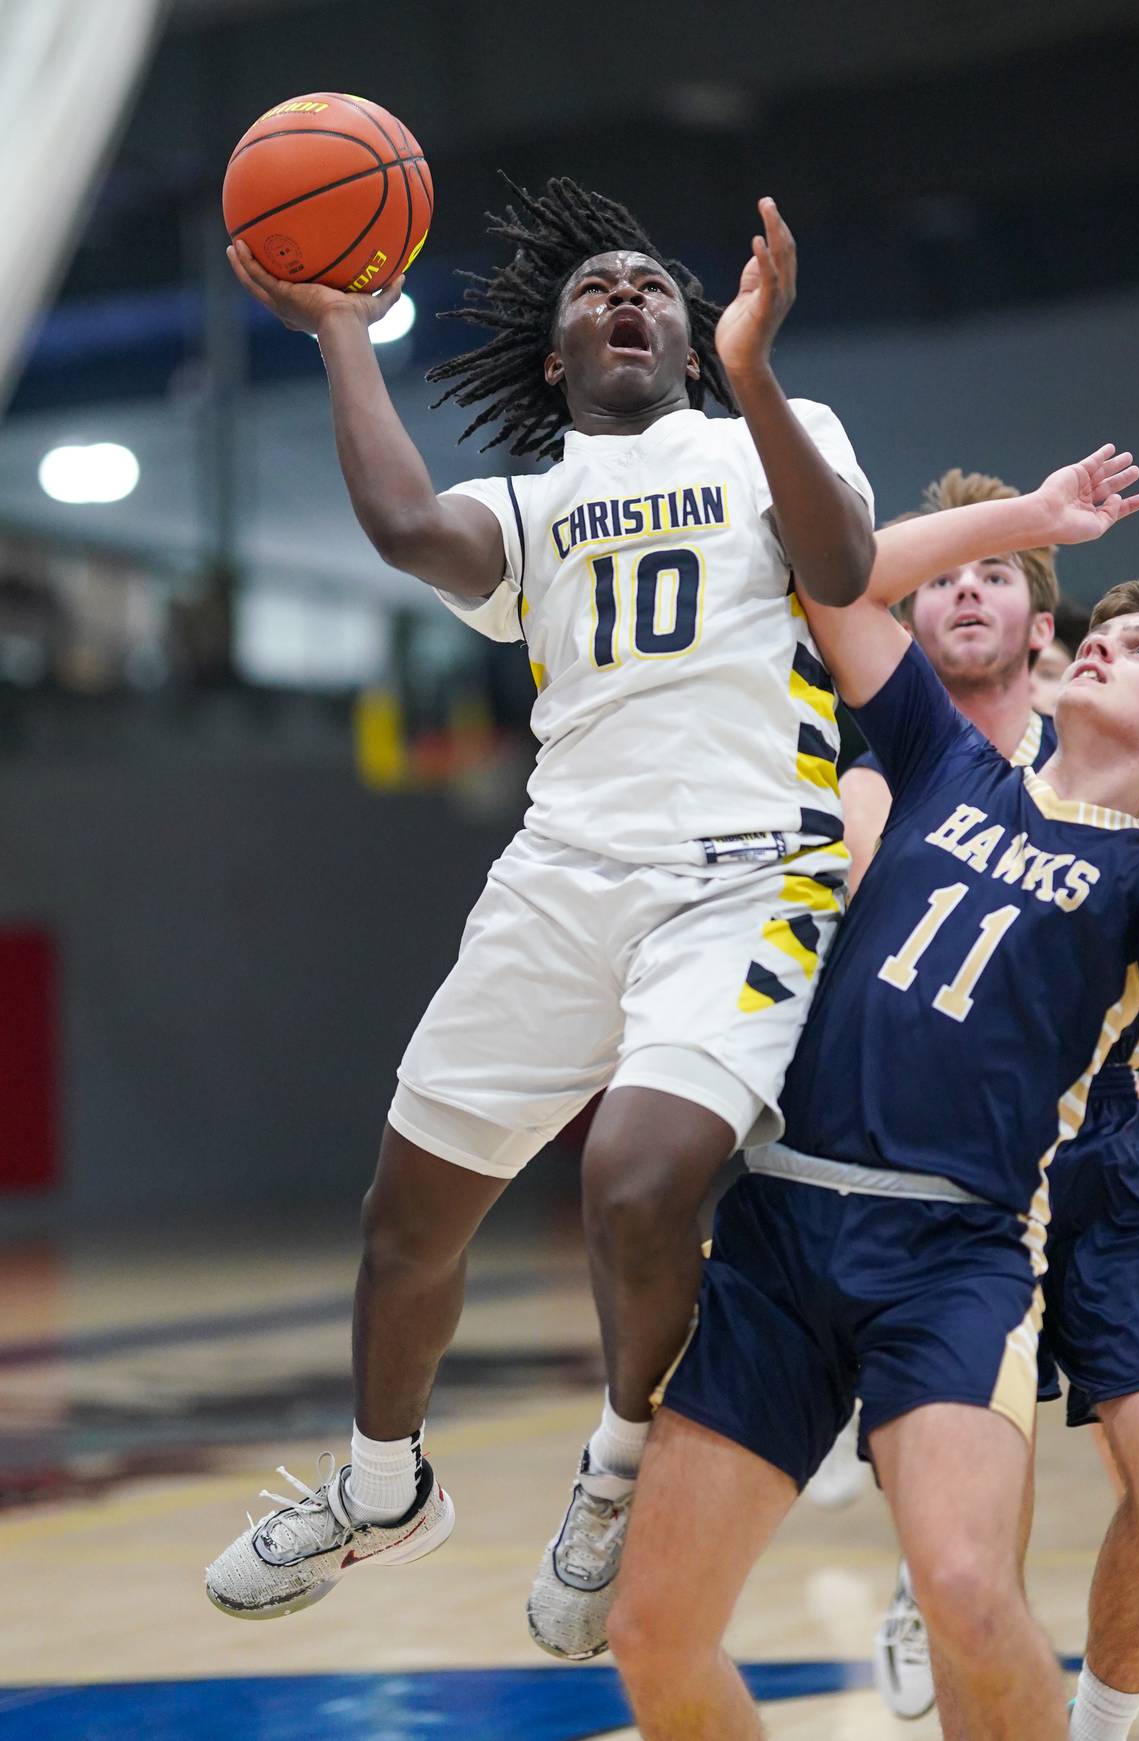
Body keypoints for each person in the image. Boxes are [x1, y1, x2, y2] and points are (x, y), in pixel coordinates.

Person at [203, 179, 877, 1654]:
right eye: (595, 293)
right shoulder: (530, 506)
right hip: (561, 875)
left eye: (654, 288)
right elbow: (397, 520)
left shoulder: (772, 432)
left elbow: (840, 572)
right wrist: (335, 328)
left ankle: (619, 1469)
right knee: (406, 1222)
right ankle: (383, 1490)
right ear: (559, 359)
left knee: (634, 1184)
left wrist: (756, 370)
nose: (626, 296)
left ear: (694, 346)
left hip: (748, 872)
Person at [605, 467, 1139, 1738]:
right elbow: (834, 575)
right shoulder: (949, 758)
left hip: (951, 1252)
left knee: (965, 1580)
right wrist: (1031, 525)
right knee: (653, 1631)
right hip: (782, 1227)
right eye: (1102, 628)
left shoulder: (1138, 872)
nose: (1105, 640)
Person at [837, 474, 1139, 1741]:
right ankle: (945, 1589)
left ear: (1042, 630)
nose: (967, 588)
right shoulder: (916, 753)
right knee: (991, 1480)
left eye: (999, 574)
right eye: (948, 577)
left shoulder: (1116, 759)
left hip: (1099, 1135)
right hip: (956, 1149)